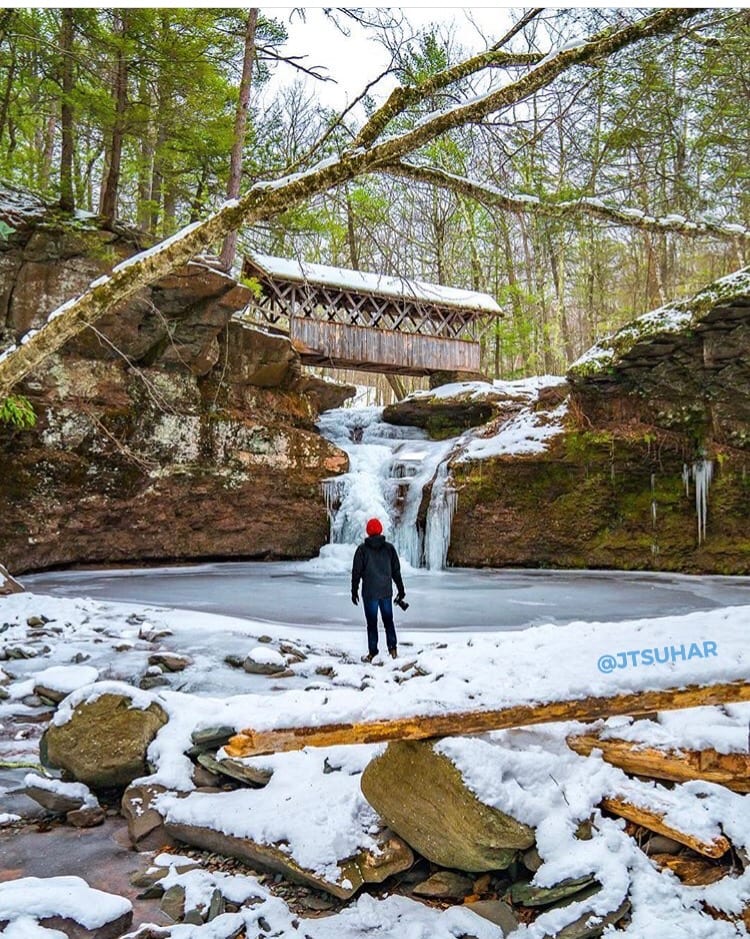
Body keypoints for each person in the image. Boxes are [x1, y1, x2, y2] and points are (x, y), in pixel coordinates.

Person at [351, 517, 405, 662]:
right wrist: (401, 589)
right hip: (385, 591)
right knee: (388, 621)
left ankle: (372, 652)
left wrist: (354, 590)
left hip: (369, 593)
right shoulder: (389, 549)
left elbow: (356, 571)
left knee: (372, 623)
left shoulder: (362, 550)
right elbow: (396, 571)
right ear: (380, 530)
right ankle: (393, 649)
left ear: (368, 532)